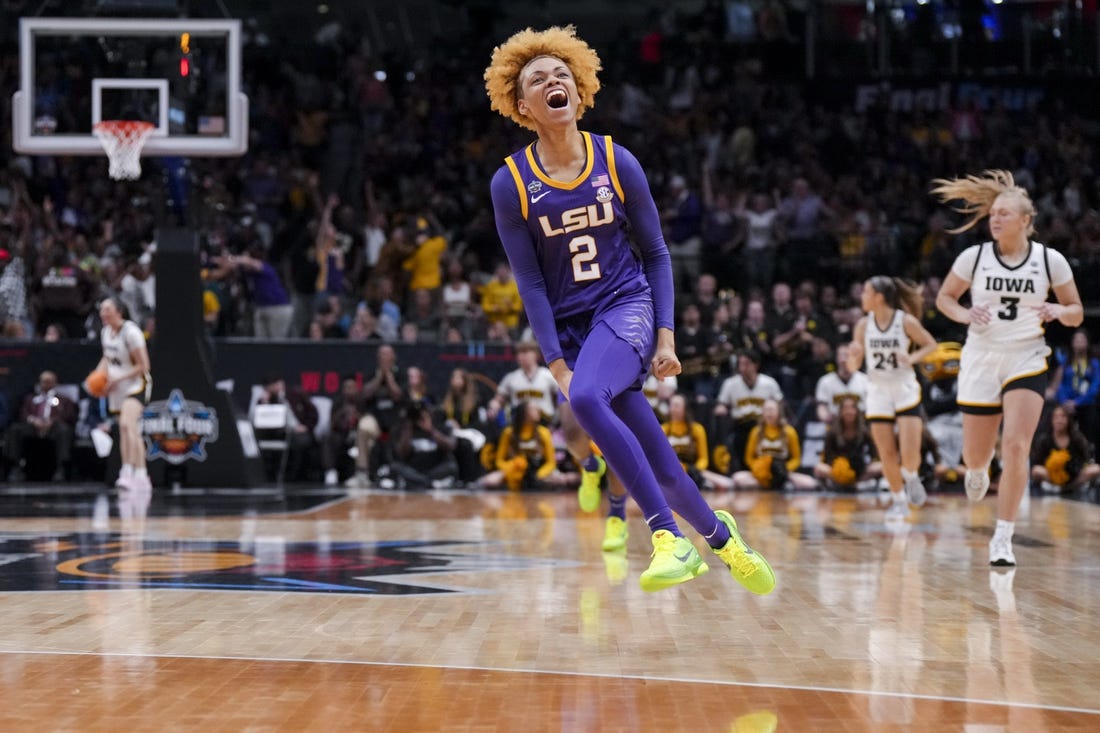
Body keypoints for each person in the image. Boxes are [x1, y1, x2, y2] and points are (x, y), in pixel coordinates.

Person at [485, 26, 774, 594]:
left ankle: (667, 536)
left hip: (626, 306)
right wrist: (554, 361)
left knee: (588, 399)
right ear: (523, 106)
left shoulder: (617, 160)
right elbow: (530, 282)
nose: (553, 82)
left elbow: (659, 254)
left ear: (580, 88)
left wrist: (665, 337)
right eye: (538, 80)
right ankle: (725, 540)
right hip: (573, 329)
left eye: (561, 74)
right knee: (661, 464)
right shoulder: (511, 182)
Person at [933, 170, 1084, 566]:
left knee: (1016, 444)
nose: (995, 219)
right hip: (981, 356)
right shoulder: (975, 256)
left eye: (1003, 213)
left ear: (1025, 221)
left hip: (1026, 355)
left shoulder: (1050, 261)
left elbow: (1076, 312)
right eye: (992, 214)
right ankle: (978, 469)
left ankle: (1003, 537)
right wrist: (965, 315)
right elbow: (944, 299)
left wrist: (1059, 310)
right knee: (977, 457)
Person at [848, 276, 938, 519]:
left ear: (879, 297)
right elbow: (853, 365)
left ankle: (911, 476)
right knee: (886, 452)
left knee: (910, 456)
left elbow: (931, 345)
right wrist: (853, 356)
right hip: (877, 389)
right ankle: (898, 500)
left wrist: (912, 358)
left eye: (866, 292)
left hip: (904, 388)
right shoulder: (863, 325)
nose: (862, 297)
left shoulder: (904, 321)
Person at [96, 298, 152, 491]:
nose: (103, 313)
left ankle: (139, 474)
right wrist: (98, 378)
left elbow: (144, 366)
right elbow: (107, 358)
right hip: (117, 387)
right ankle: (130, 473)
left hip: (136, 384)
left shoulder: (132, 332)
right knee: (123, 429)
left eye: (107, 309)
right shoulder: (105, 332)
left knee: (129, 425)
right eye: (102, 309)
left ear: (119, 311)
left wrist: (117, 380)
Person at [4, 370, 77, 482]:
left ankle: (61, 469)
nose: (46, 384)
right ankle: (16, 468)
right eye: (44, 381)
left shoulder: (64, 400)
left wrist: (52, 421)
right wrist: (33, 420)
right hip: (34, 426)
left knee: (64, 430)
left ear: (55, 383)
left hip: (53, 427)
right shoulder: (31, 398)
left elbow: (69, 415)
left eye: (49, 381)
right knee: (15, 429)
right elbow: (23, 414)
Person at [732, 398, 818, 491]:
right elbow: (749, 458)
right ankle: (772, 485)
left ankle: (779, 483)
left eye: (771, 410)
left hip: (783, 471)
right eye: (766, 410)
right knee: (737, 478)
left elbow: (796, 459)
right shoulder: (756, 432)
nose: (769, 413)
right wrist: (759, 469)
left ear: (779, 412)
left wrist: (785, 469)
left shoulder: (789, 432)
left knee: (810, 483)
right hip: (761, 473)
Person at [813, 396, 881, 491]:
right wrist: (839, 467)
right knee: (819, 468)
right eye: (845, 408)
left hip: (859, 469)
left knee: (880, 467)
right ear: (840, 412)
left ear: (857, 411)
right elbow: (827, 456)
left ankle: (853, 483)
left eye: (852, 408)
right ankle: (844, 483)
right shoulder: (832, 432)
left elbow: (874, 454)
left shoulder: (864, 431)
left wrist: (865, 464)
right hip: (838, 469)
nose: (849, 411)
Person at [1030, 404, 1099, 493]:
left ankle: (1070, 488)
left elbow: (1086, 458)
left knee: (1096, 468)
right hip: (1052, 476)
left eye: (1063, 417)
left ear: (1068, 420)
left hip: (1074, 476)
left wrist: (1072, 465)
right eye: (1056, 417)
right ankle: (1056, 487)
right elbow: (1037, 462)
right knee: (1037, 471)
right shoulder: (1044, 440)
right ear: (1051, 420)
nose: (1059, 420)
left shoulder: (1077, 439)